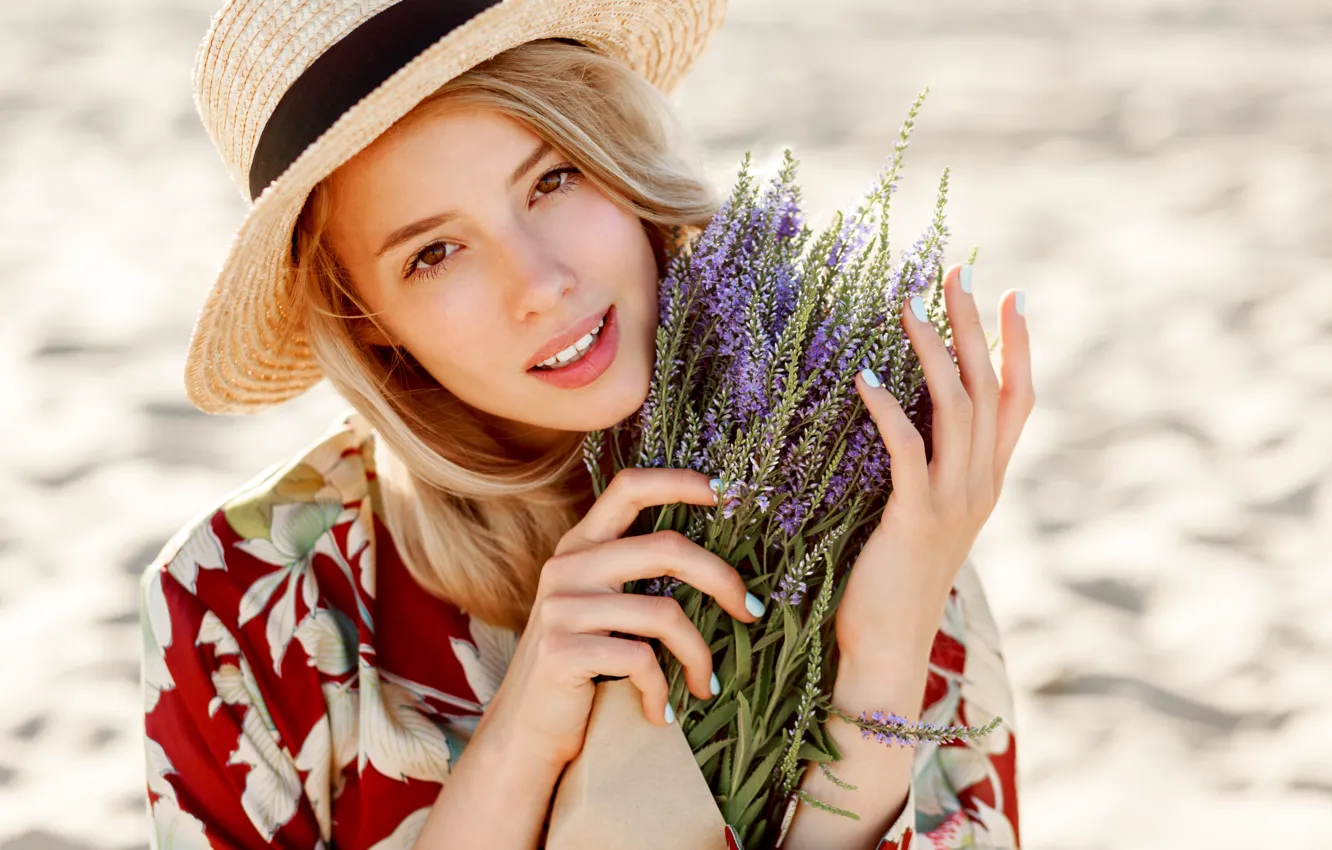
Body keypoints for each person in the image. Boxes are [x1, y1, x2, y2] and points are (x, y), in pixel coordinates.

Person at [141, 1, 1033, 848]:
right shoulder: (237, 605)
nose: (540, 283)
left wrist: (879, 666)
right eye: (434, 253)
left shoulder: (859, 499)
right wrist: (517, 743)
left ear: (621, 155)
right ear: (365, 318)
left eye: (553, 177)